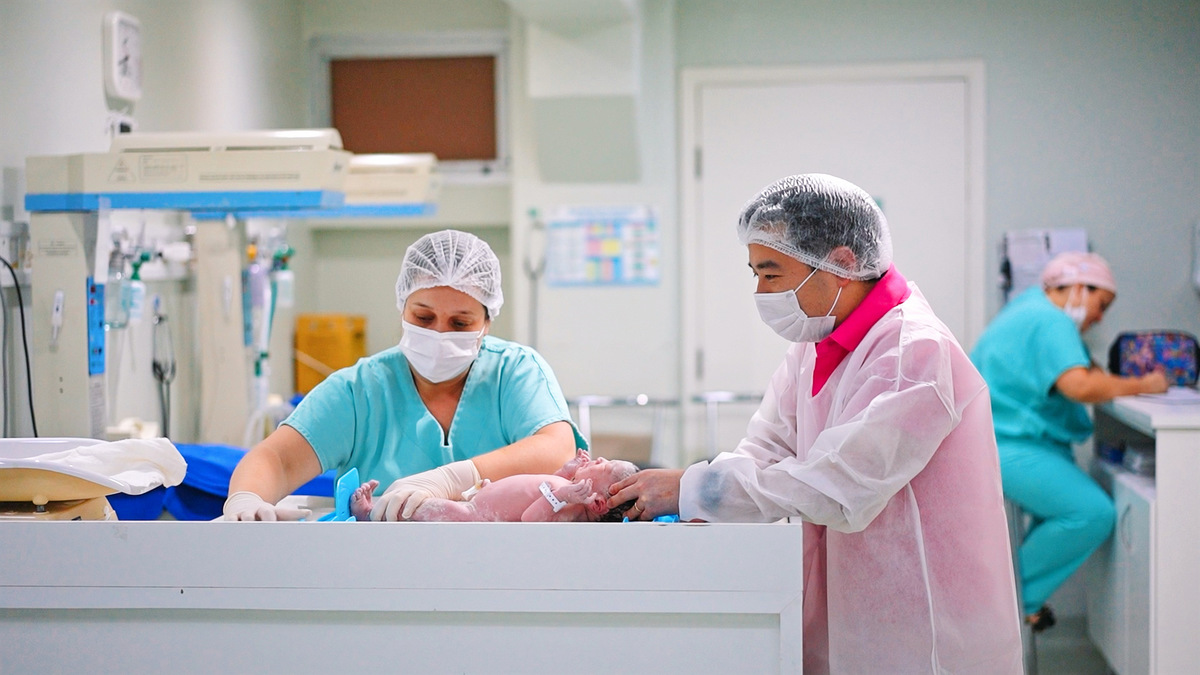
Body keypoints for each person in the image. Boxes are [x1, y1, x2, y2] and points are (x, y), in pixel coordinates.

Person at [608, 174, 1023, 673]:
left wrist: (693, 488)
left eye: (772, 275)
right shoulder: (817, 343)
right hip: (852, 606)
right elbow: (767, 447)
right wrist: (695, 499)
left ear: (842, 264)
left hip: (927, 620)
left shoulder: (912, 352)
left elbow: (840, 486)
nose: (761, 292)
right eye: (755, 274)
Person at [224, 229, 586, 522]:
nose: (440, 333)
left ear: (486, 322)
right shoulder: (360, 391)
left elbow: (557, 450)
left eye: (460, 323)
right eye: (423, 318)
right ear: (402, 307)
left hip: (502, 566)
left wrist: (451, 479)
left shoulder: (514, 372)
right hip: (382, 571)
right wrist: (246, 499)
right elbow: (277, 460)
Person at [969, 251, 1168, 632]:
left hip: (1006, 441)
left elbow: (1082, 372)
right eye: (1101, 304)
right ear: (1079, 288)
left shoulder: (1028, 309)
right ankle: (1005, 603)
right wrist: (1145, 384)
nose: (1100, 318)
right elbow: (1079, 385)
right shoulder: (1051, 320)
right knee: (1092, 513)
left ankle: (1009, 603)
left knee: (1064, 514)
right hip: (1008, 446)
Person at [348, 449, 639, 522]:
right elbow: (541, 487)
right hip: (481, 497)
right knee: (424, 505)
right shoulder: (567, 491)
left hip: (475, 515)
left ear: (597, 503)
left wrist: (562, 494)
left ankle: (369, 514)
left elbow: (531, 518)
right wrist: (566, 472)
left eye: (606, 467)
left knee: (423, 509)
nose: (601, 458)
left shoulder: (571, 508)